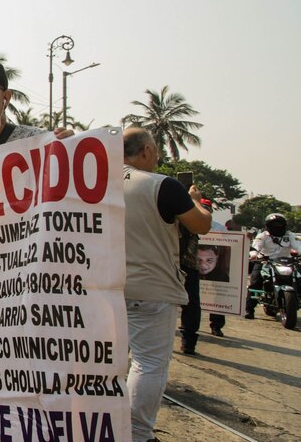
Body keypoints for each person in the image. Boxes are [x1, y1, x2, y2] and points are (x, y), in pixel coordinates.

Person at [122, 127, 211, 442]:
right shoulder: (163, 186)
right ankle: (136, 434)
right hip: (151, 290)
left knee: (110, 365)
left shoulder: (94, 184)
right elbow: (201, 224)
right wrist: (196, 201)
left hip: (104, 290)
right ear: (146, 151)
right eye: (156, 152)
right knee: (148, 364)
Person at [244, 213, 301, 319]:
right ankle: (249, 309)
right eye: (274, 224)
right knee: (255, 283)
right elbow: (256, 247)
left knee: (299, 278)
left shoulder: (290, 235)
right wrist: (254, 254)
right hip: (265, 262)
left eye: (279, 224)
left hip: (286, 262)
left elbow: (298, 246)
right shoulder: (263, 236)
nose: (277, 227)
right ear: (268, 225)